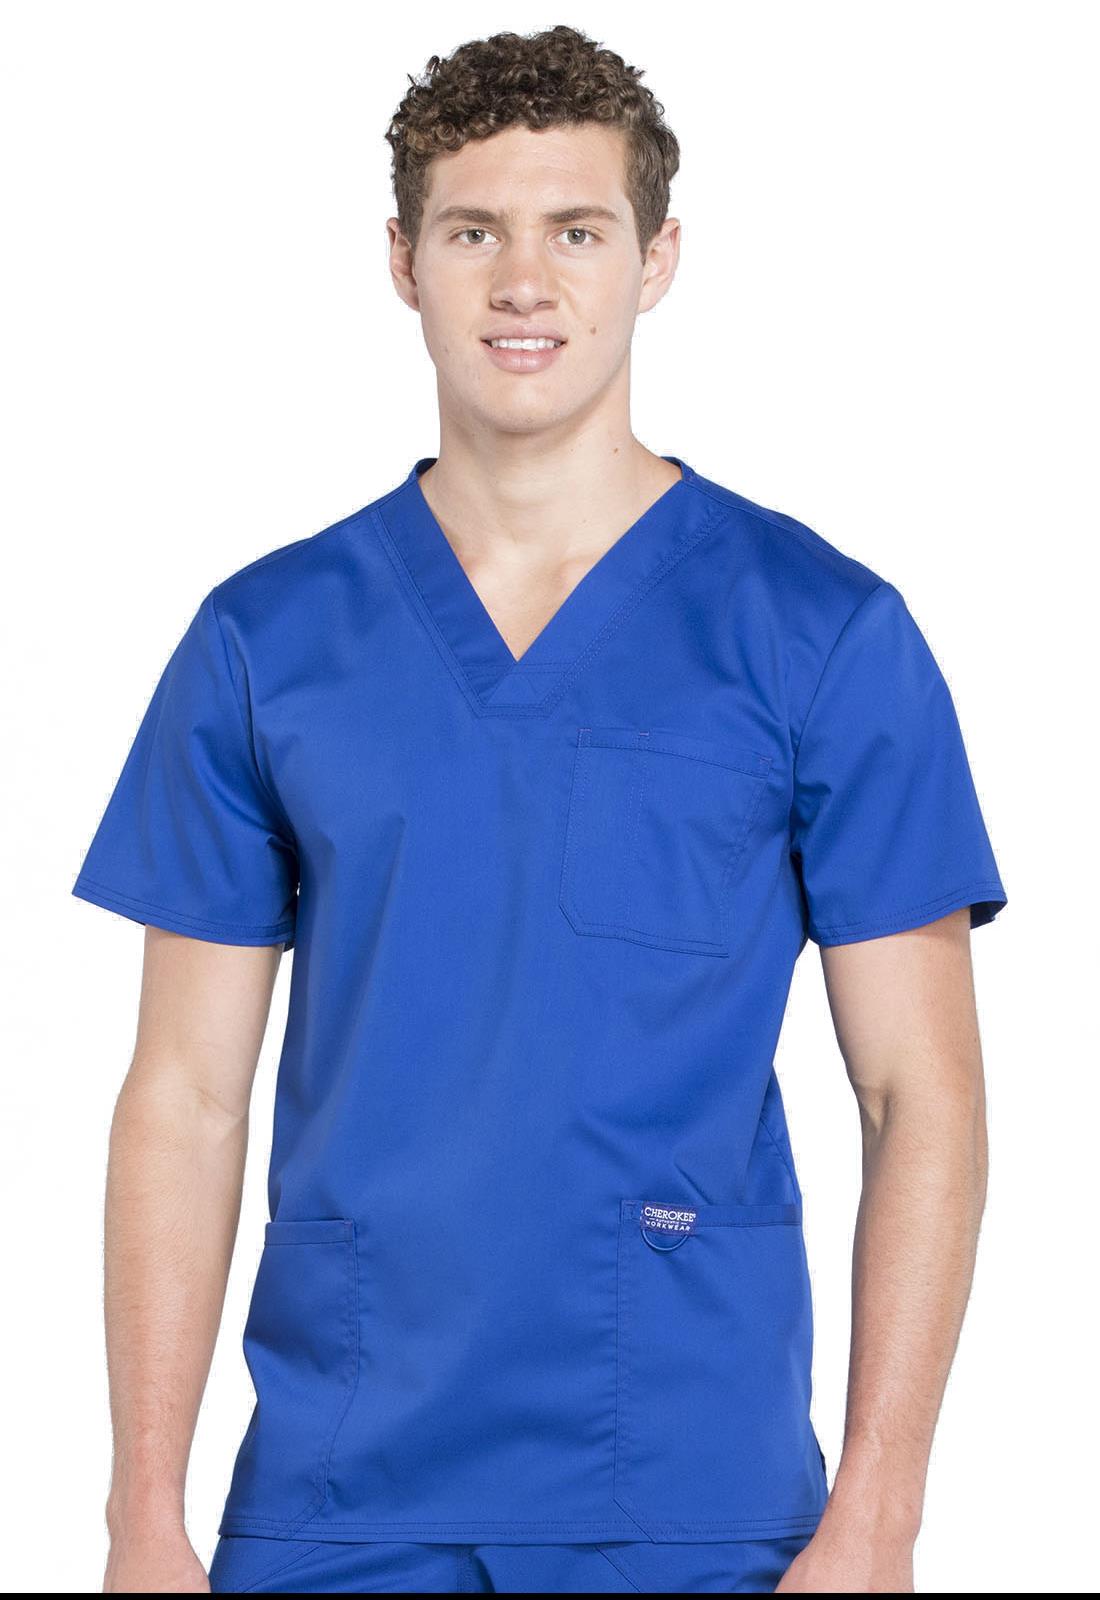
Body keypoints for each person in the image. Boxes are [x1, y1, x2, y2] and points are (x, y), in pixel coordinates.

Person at [73, 24, 1007, 1597]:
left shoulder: (820, 634)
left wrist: (881, 1517)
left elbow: (926, 1096)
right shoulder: (267, 642)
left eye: (576, 231)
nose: (524, 282)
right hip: (343, 1487)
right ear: (402, 261)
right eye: (473, 232)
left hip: (693, 1494)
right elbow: (184, 1098)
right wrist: (142, 1519)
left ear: (657, 261)